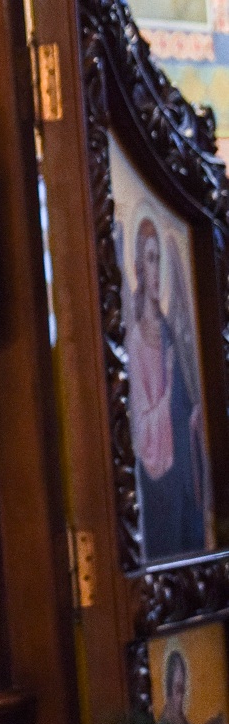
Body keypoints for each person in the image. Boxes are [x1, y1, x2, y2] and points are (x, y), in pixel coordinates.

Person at [126, 218, 209, 558]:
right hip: (159, 485)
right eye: (149, 258)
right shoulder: (135, 341)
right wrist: (168, 396)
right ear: (138, 267)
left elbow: (186, 405)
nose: (155, 269)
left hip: (185, 474)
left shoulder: (169, 331)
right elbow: (141, 428)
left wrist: (195, 414)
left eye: (158, 258)